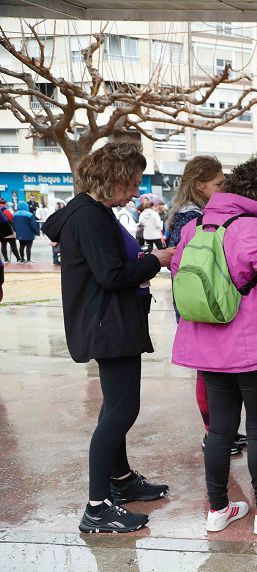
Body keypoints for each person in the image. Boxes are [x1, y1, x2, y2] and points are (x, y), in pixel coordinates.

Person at [170, 158, 257, 536]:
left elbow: (178, 272)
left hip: (207, 346)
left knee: (219, 432)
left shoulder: (196, 225)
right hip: (253, 347)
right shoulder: (248, 227)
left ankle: (218, 508)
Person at [43, 141, 175, 534]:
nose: (136, 192)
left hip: (108, 320)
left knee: (114, 407)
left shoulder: (90, 211)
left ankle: (119, 480)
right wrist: (156, 261)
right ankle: (97, 506)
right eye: (132, 182)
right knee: (121, 410)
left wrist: (139, 262)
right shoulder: (90, 217)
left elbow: (109, 266)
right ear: (113, 178)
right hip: (107, 322)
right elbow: (111, 276)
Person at [165, 157, 244, 456]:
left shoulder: (193, 213)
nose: (223, 190)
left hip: (200, 299)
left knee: (213, 371)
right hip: (200, 302)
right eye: (218, 185)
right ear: (199, 185)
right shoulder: (191, 218)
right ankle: (213, 433)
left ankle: (221, 430)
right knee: (207, 372)